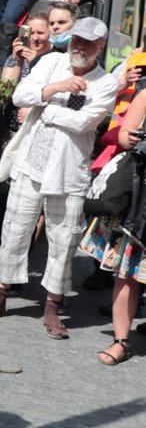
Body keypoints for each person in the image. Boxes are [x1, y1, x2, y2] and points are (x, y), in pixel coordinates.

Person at [0, 17, 117, 337]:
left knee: (63, 241)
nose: (79, 46)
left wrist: (45, 108)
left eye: (88, 43)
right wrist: (56, 88)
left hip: (68, 172)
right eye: (77, 39)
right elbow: (20, 96)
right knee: (14, 230)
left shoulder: (106, 82)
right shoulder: (53, 61)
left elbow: (84, 122)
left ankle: (52, 308)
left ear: (100, 47)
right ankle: (0, 297)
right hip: (31, 164)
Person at [79, 84, 146, 365]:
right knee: (127, 274)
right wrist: (129, 137)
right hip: (140, 200)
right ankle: (121, 341)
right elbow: (122, 134)